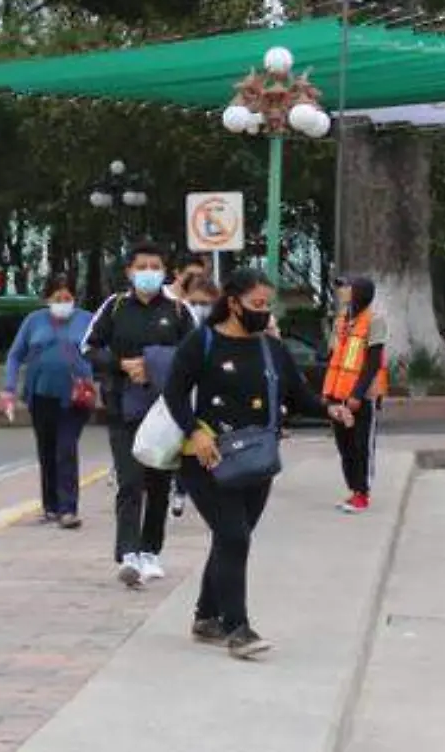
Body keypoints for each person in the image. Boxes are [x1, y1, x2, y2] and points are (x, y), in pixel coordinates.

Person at [161, 267, 352, 659]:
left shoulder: (271, 348)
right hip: (208, 458)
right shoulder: (203, 342)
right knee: (234, 536)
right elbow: (174, 393)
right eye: (256, 305)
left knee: (232, 535)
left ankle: (206, 616)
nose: (264, 312)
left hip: (257, 458)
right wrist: (193, 432)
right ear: (232, 303)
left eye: (268, 306)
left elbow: (299, 396)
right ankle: (238, 628)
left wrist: (331, 410)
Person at [83, 243, 194, 588]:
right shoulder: (114, 307)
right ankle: (128, 553)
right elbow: (89, 348)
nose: (148, 271)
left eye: (155, 265)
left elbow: (194, 353)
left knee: (159, 483)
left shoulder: (178, 310)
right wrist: (121, 364)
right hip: (122, 408)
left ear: (165, 272)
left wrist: (154, 365)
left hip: (164, 411)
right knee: (130, 481)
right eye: (141, 266)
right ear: (129, 272)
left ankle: (151, 552)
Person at [1, 275, 95, 528]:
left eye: (68, 298)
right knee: (47, 450)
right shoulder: (34, 321)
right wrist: (8, 388)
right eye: (58, 298)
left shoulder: (87, 320)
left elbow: (102, 351)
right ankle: (51, 506)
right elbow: (15, 355)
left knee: (66, 448)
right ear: (47, 300)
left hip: (75, 397)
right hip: (40, 395)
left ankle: (68, 509)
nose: (63, 302)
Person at [324, 276, 387, 514]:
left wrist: (358, 394)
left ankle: (363, 492)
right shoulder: (341, 321)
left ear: (360, 293)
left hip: (362, 397)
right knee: (345, 446)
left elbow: (373, 362)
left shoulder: (375, 320)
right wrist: (328, 395)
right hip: (338, 394)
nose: (343, 292)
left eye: (348, 288)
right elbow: (333, 358)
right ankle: (353, 490)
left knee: (361, 446)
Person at [169, 274, 221, 520]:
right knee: (183, 446)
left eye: (206, 303)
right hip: (183, 397)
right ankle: (180, 490)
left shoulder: (221, 329)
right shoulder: (178, 323)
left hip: (212, 400)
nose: (200, 308)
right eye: (195, 302)